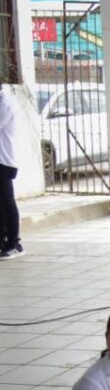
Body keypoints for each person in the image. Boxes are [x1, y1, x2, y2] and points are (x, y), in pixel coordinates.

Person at [0, 83, 22, 259]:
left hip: (3, 160)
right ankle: (3, 241)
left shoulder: (5, 104)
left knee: (7, 202)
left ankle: (14, 243)